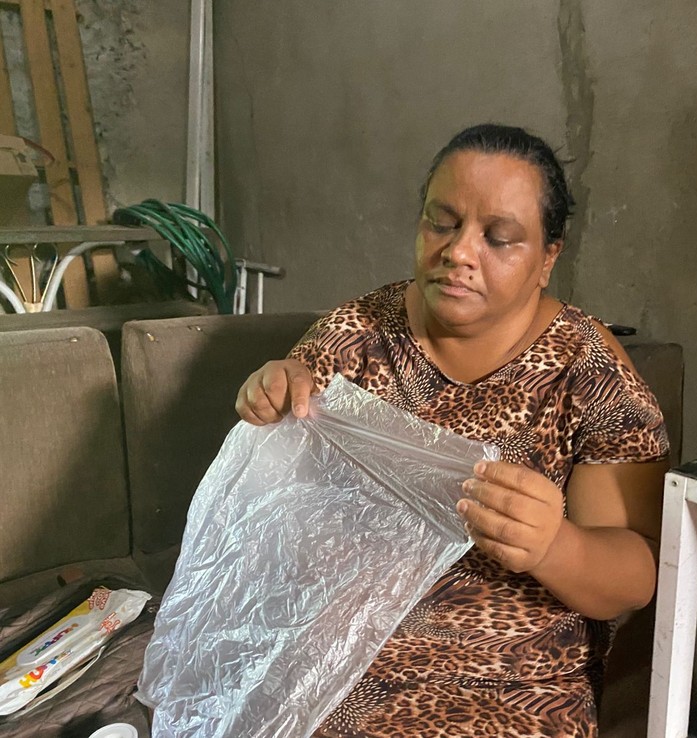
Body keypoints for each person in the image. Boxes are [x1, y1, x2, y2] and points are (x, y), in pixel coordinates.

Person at [236, 123, 670, 738]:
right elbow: (279, 519)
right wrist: (275, 395)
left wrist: (555, 546)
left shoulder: (586, 375)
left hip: (511, 685)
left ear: (549, 257)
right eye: (441, 222)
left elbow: (634, 576)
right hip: (341, 663)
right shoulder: (359, 335)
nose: (459, 253)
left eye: (500, 238)